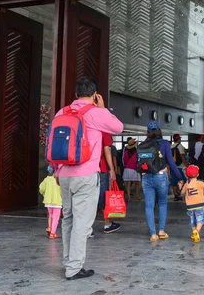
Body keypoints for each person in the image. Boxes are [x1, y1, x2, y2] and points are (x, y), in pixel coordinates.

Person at [54, 77, 124, 280]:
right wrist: (102, 108)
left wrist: (57, 170)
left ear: (75, 95)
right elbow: (118, 127)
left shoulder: (62, 112)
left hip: (64, 174)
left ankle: (69, 262)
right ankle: (74, 268)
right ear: (95, 95)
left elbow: (56, 141)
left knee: (68, 219)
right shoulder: (95, 113)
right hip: (85, 175)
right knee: (82, 223)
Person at [139, 121, 184, 242]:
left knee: (149, 206)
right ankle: (161, 231)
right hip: (161, 177)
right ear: (159, 130)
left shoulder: (143, 144)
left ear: (148, 132)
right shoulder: (164, 144)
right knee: (163, 203)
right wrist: (180, 178)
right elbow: (171, 162)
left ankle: (153, 234)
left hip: (146, 177)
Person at [178, 165, 204, 243]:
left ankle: (194, 233)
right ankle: (197, 231)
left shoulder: (187, 184)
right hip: (199, 204)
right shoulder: (199, 182)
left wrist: (180, 186)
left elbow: (181, 193)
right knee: (201, 218)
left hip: (190, 206)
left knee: (192, 219)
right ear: (197, 175)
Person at [97, 132, 121, 234]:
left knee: (87, 198)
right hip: (101, 169)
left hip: (86, 171)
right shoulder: (103, 132)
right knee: (103, 197)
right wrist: (112, 169)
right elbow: (107, 150)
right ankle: (108, 224)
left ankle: (86, 229)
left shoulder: (84, 128)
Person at [39, 165, 62, 239]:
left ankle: (49, 227)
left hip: (48, 201)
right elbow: (62, 191)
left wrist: (44, 193)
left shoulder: (46, 180)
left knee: (50, 215)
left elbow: (41, 188)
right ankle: (53, 233)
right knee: (56, 218)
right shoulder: (58, 180)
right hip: (57, 202)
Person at [171, 134, 189, 201]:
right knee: (185, 180)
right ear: (178, 139)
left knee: (174, 182)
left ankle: (176, 195)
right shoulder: (180, 146)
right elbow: (182, 157)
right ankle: (183, 192)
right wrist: (187, 165)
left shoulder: (171, 146)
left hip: (173, 167)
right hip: (180, 167)